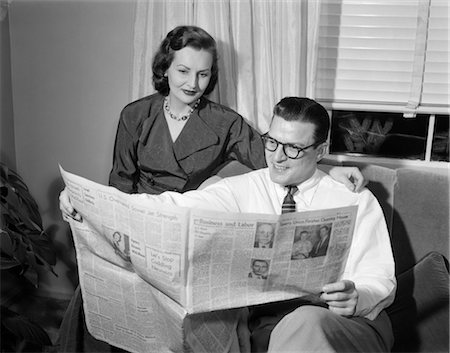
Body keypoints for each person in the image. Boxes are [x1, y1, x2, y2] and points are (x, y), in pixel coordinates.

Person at [61, 96, 396, 353]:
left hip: (342, 321)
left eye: (293, 149)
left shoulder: (353, 199)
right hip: (264, 323)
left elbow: (379, 276)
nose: (277, 157)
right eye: (272, 142)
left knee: (304, 322)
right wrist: (89, 203)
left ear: (320, 150)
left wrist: (358, 296)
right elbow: (173, 206)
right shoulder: (243, 188)